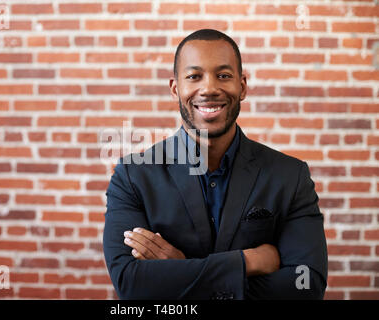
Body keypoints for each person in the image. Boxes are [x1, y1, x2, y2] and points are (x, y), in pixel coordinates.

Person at [103, 29, 328, 300]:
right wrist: (248, 261)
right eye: (194, 76)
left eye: (223, 76)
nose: (209, 88)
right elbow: (131, 284)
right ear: (176, 89)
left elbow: (307, 284)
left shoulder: (290, 176)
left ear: (242, 86)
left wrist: (180, 270)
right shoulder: (133, 176)